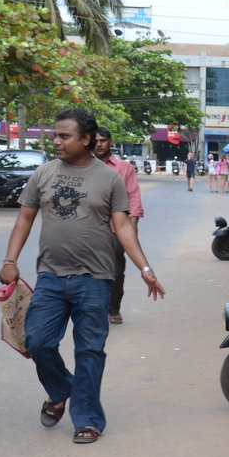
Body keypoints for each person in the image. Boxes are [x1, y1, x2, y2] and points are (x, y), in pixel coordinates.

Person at [0, 109, 165, 445]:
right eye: (55, 135)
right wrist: (10, 260)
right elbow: (24, 220)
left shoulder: (110, 179)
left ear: (85, 139)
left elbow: (122, 227)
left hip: (95, 279)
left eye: (64, 136)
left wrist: (144, 269)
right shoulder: (43, 174)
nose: (56, 141)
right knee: (38, 341)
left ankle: (87, 418)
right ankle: (62, 389)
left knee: (90, 351)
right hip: (51, 277)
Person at [94, 126, 143, 325]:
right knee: (89, 272)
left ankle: (114, 309)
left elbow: (133, 196)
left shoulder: (124, 168)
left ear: (110, 142)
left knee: (115, 272)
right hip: (90, 228)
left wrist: (132, 224)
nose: (99, 144)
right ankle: (94, 309)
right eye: (95, 140)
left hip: (116, 229)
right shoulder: (83, 166)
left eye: (103, 140)